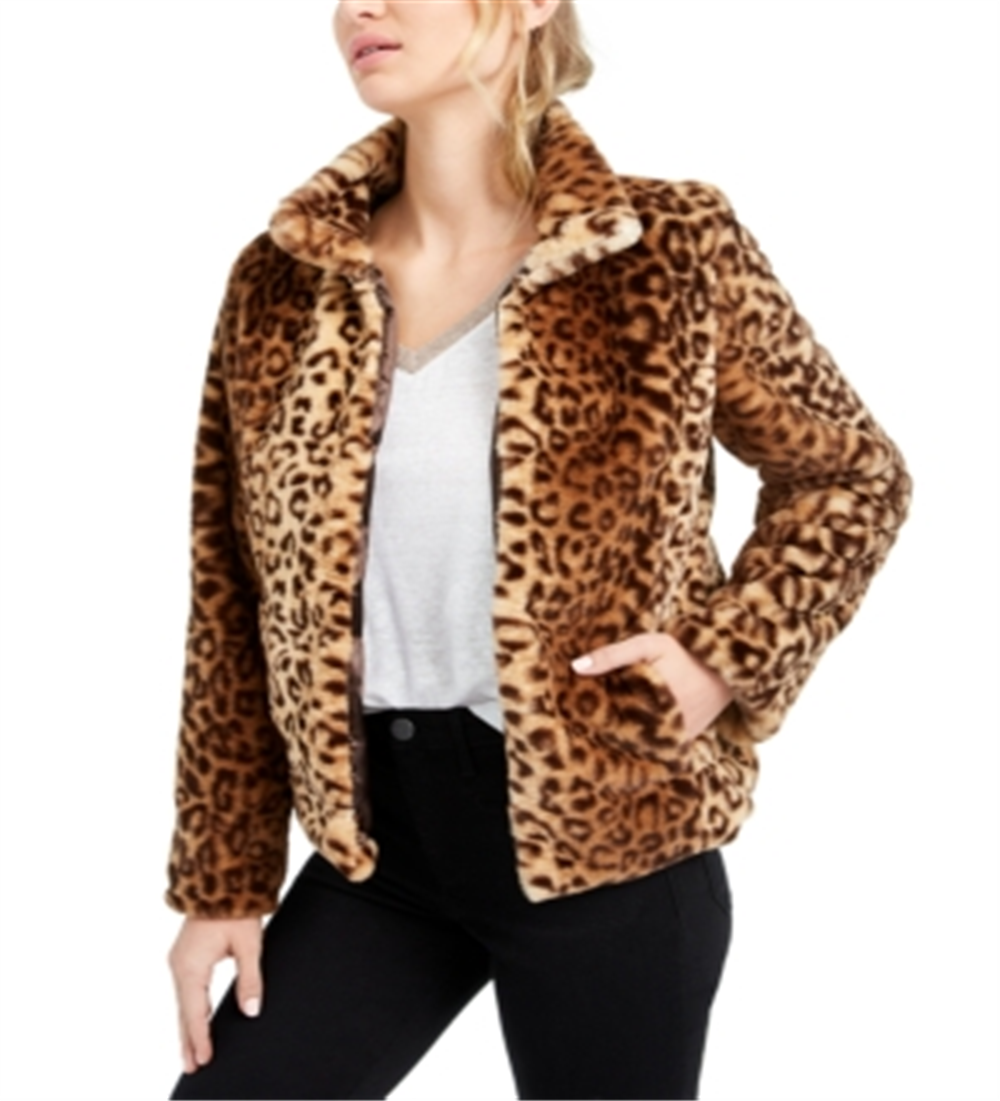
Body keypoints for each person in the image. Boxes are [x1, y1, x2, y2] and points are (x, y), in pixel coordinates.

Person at [165, 1, 911, 1098]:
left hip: (614, 847)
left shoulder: (667, 244)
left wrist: (721, 658)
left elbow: (852, 474)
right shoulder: (280, 282)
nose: (358, 7)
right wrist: (224, 879)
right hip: (379, 854)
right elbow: (230, 591)